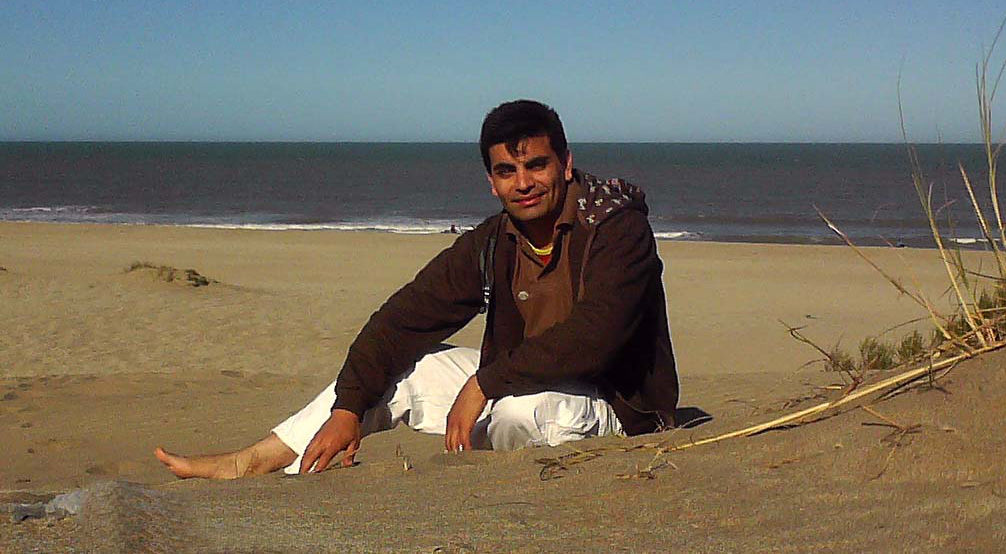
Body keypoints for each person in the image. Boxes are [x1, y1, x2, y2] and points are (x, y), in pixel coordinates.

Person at [155, 100, 679, 478]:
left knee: (521, 410)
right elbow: (401, 319)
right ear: (490, 182)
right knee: (409, 365)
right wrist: (349, 408)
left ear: (564, 164)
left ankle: (516, 489)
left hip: (619, 408)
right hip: (518, 381)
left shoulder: (615, 226)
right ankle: (254, 462)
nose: (523, 183)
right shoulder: (493, 242)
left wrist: (483, 385)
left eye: (536, 165)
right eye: (507, 171)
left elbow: (598, 334)